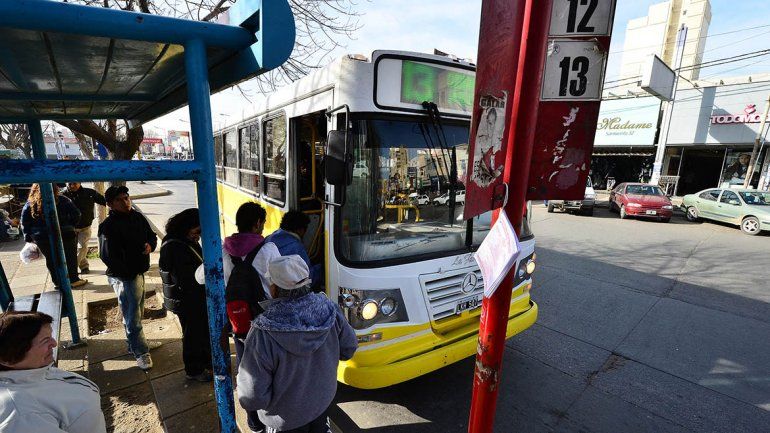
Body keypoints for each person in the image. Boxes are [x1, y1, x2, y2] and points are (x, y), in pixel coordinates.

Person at [237, 255, 357, 433]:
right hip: (321, 404)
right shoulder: (330, 309)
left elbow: (251, 396)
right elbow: (349, 349)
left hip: (284, 419)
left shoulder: (263, 332)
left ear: (275, 288)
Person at [0, 311, 106, 433]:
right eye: (45, 340)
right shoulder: (21, 416)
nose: (55, 343)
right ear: (7, 358)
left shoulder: (34, 370)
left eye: (50, 336)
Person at [98, 185, 157, 371]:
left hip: (139, 271)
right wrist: (127, 273)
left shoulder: (137, 216)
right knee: (133, 316)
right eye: (120, 200)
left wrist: (150, 246)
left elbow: (151, 236)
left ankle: (135, 344)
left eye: (126, 197)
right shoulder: (107, 226)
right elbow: (107, 256)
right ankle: (141, 352)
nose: (125, 202)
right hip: (125, 277)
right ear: (110, 205)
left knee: (136, 312)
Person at [221, 202, 268, 433]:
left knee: (244, 367)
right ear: (257, 224)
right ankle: (268, 416)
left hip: (239, 321)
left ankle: (253, 420)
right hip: (265, 321)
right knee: (269, 367)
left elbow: (205, 277)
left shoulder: (223, 249)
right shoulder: (268, 250)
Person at [158, 208, 212, 382]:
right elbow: (187, 278)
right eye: (197, 231)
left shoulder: (180, 240)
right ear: (186, 227)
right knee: (193, 335)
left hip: (189, 297)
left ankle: (205, 362)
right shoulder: (176, 246)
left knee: (200, 332)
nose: (199, 236)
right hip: (187, 299)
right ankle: (194, 370)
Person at [20, 183, 87, 288]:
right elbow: (77, 214)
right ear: (55, 189)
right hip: (66, 234)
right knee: (70, 257)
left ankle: (57, 282)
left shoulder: (30, 204)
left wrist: (28, 237)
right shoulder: (63, 200)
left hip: (42, 237)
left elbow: (24, 221)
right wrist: (70, 225)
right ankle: (73, 280)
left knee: (51, 260)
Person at [256, 210, 322, 290]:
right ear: (300, 230)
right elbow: (307, 279)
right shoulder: (297, 248)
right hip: (282, 291)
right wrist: (320, 268)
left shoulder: (269, 237)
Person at [62, 182, 106, 275]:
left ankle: (71, 270)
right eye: (69, 184)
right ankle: (84, 266)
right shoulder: (63, 195)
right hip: (70, 228)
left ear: (79, 182)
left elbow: (104, 200)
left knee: (82, 247)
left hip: (85, 226)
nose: (72, 186)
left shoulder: (89, 192)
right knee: (73, 249)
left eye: (74, 183)